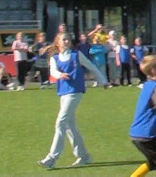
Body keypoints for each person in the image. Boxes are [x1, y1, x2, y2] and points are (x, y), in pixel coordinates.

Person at [37, 33, 108, 170]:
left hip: (76, 91)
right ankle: (84, 155)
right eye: (63, 39)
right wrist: (60, 75)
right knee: (70, 125)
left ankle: (52, 157)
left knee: (61, 122)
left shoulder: (76, 55)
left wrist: (103, 81)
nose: (66, 41)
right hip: (63, 92)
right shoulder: (55, 58)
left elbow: (91, 66)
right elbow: (53, 72)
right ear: (58, 43)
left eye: (68, 39)